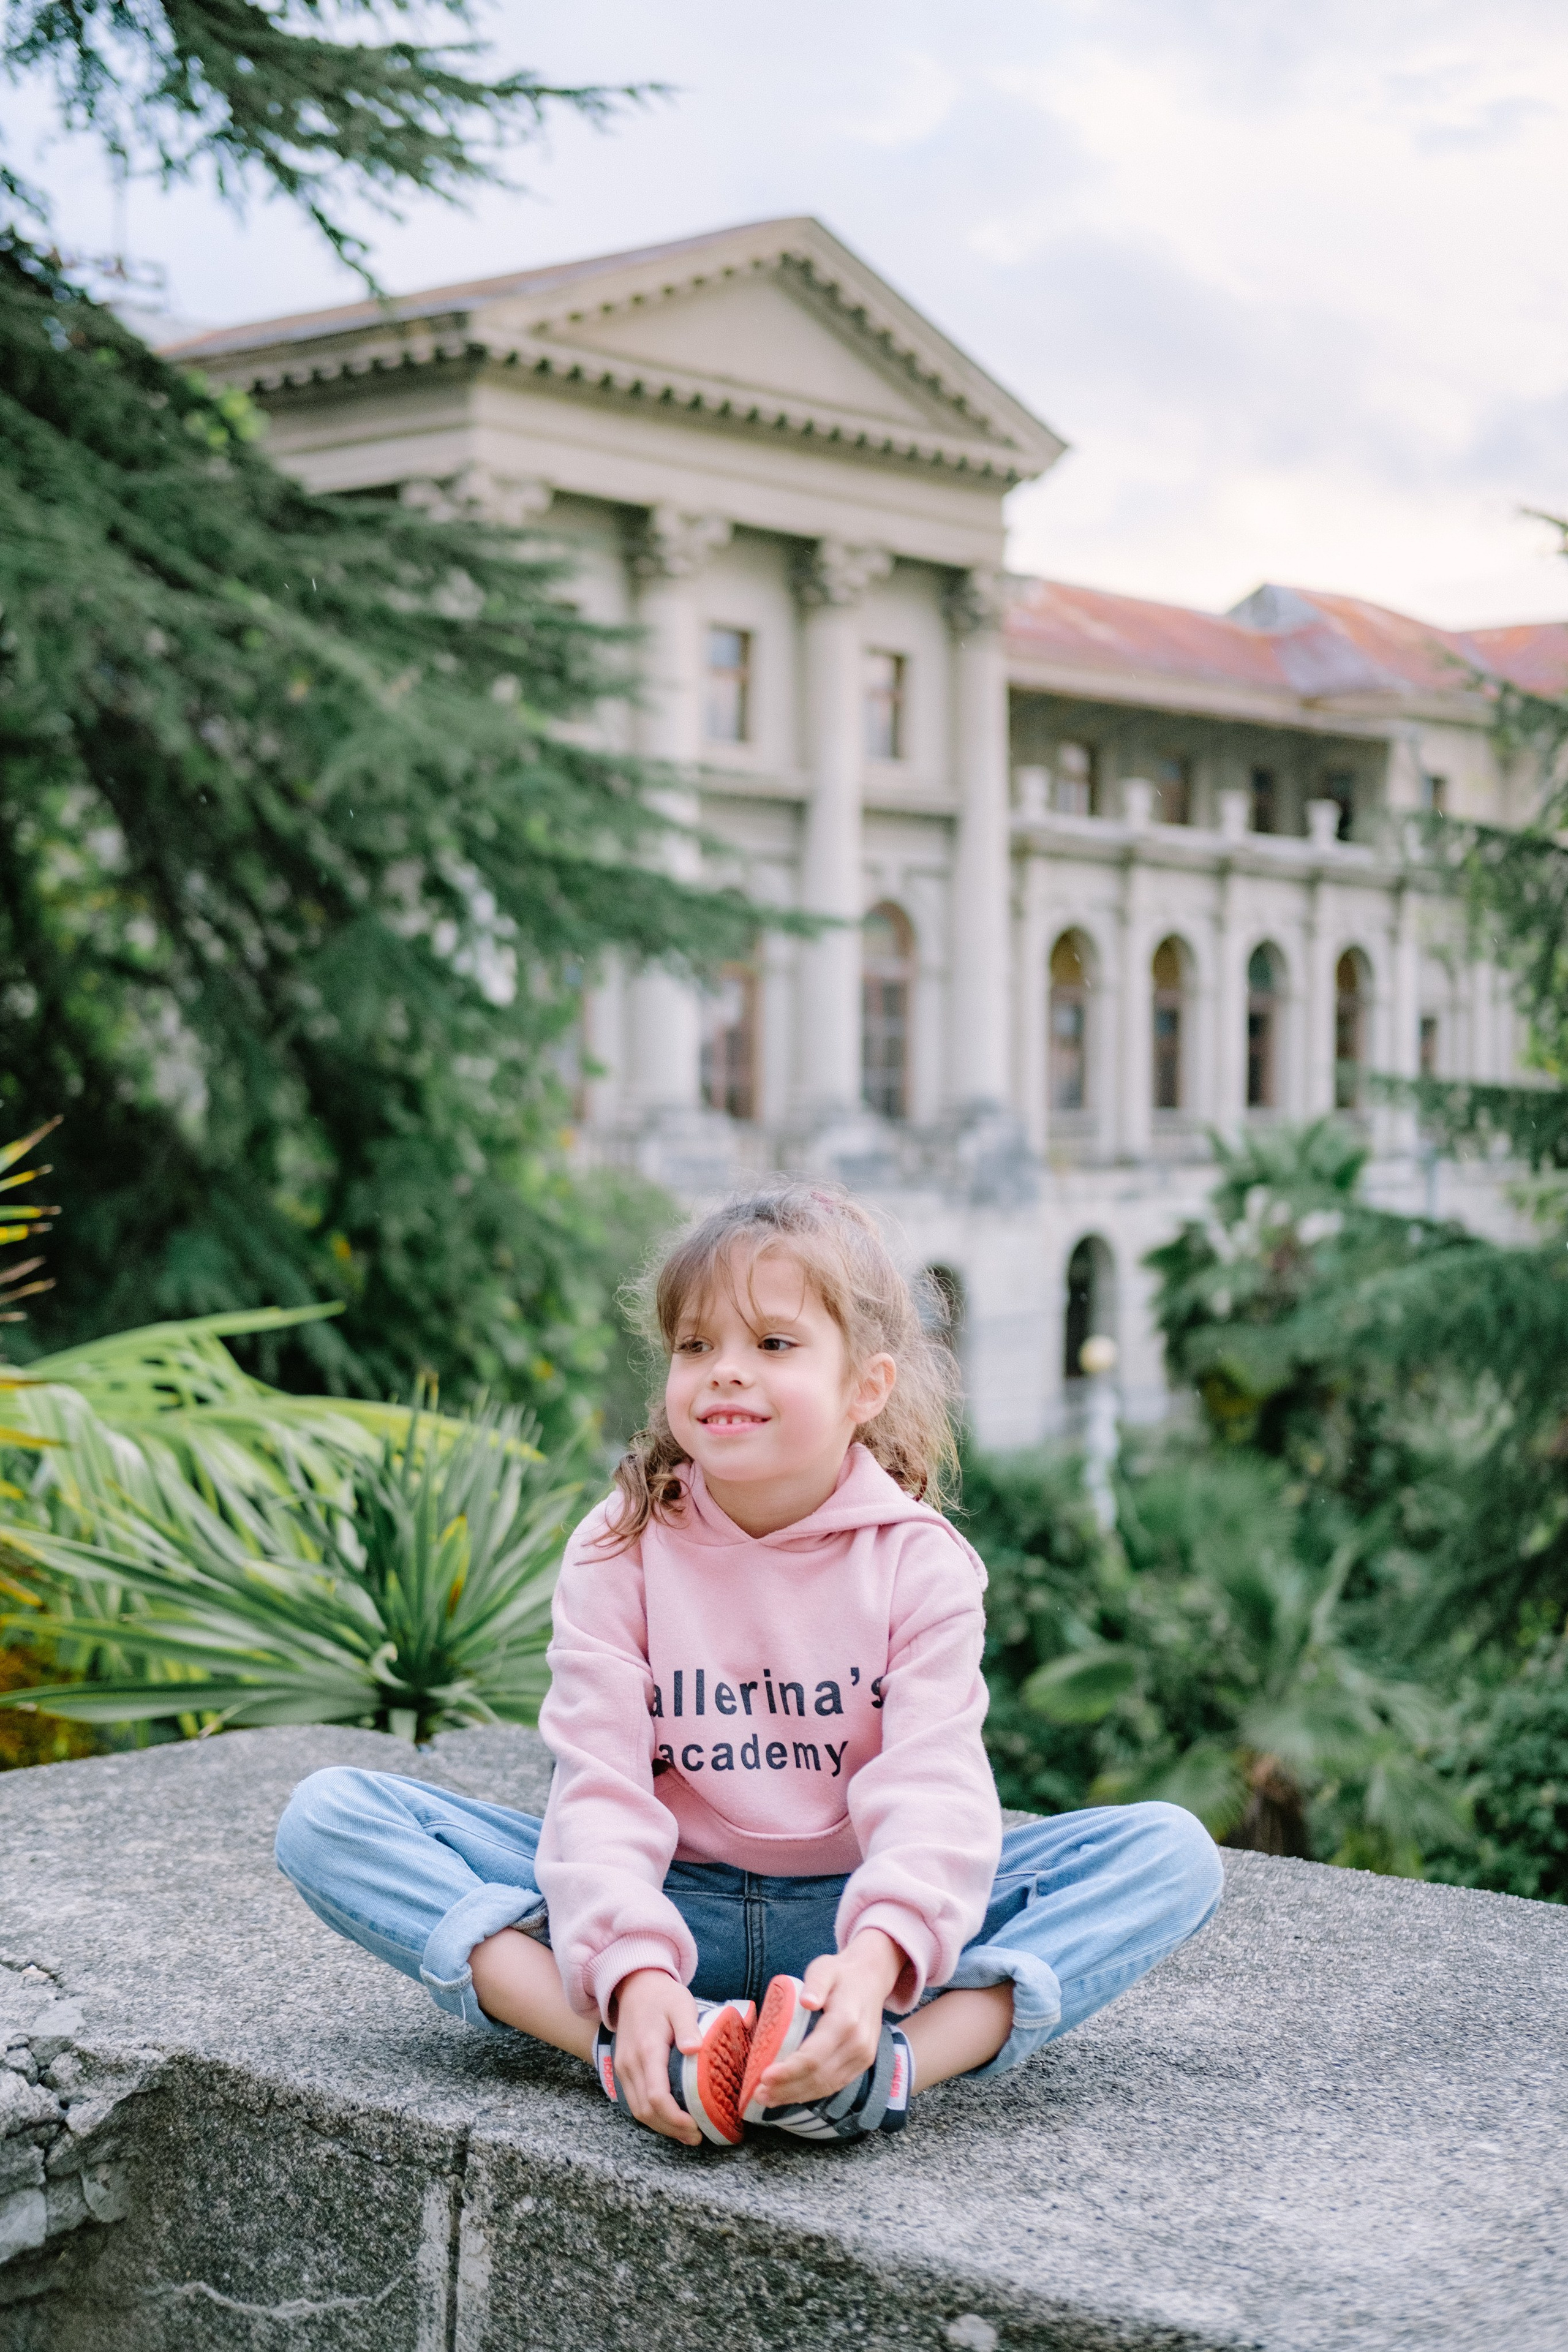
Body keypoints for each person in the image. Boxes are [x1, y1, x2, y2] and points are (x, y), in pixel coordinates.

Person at [276, 1184, 1223, 2147]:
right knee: (329, 1821)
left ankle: (887, 2065)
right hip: (666, 1899)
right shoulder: (621, 1543)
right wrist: (638, 1971)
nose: (725, 1373)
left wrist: (877, 1962)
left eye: (772, 1345)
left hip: (849, 1919)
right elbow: (599, 1790)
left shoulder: (918, 1562)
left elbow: (935, 1793)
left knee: (1170, 1855)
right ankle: (635, 2048)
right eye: (697, 1347)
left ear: (868, 1387)